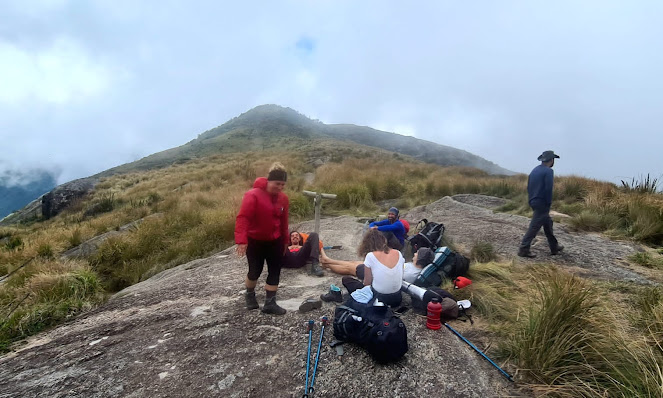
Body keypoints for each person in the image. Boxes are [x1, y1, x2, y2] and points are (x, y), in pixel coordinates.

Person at [235, 162, 289, 315]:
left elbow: (284, 222)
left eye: (283, 185)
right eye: (277, 183)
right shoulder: (253, 195)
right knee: (255, 271)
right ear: (269, 181)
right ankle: (250, 295)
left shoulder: (283, 199)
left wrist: (285, 241)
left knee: (275, 270)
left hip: (275, 241)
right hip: (255, 241)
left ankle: (270, 304)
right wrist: (241, 240)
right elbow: (243, 218)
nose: (279, 187)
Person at [335, 229, 405, 307]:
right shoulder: (398, 253)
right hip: (397, 299)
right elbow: (401, 274)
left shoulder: (371, 256)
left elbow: (367, 283)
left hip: (379, 299)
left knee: (346, 279)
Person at [518, 150, 564, 258]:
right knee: (534, 226)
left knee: (548, 223)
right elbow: (548, 189)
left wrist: (531, 200)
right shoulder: (548, 171)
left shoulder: (535, 170)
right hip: (542, 203)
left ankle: (554, 246)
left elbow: (529, 187)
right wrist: (548, 203)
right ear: (551, 160)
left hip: (533, 201)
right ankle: (524, 249)